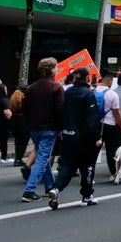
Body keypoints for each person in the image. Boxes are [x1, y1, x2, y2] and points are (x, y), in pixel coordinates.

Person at [48, 68, 102, 209]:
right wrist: (97, 137)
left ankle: (56, 188)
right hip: (85, 137)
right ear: (86, 78)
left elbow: (60, 112)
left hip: (68, 135)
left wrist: (61, 128)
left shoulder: (67, 92)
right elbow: (92, 118)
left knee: (67, 165)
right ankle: (87, 195)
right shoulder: (88, 95)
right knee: (88, 167)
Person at [22, 58, 63, 202]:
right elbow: (60, 110)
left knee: (42, 155)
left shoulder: (32, 87)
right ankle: (29, 190)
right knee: (43, 157)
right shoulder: (56, 87)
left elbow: (25, 108)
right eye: (56, 67)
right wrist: (60, 127)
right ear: (52, 69)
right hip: (49, 127)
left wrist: (30, 123)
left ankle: (50, 185)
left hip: (34, 127)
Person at [95, 69, 121, 181]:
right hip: (109, 125)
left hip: (96, 125)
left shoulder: (93, 92)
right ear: (109, 80)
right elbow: (116, 113)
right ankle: (113, 173)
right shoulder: (112, 94)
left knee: (93, 151)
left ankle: (88, 175)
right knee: (111, 150)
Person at [9, 85, 30, 167]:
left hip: (14, 120)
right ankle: (19, 158)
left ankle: (17, 158)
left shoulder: (13, 98)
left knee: (18, 141)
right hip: (23, 121)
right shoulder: (23, 98)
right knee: (23, 141)